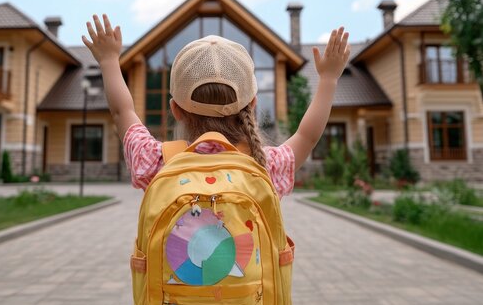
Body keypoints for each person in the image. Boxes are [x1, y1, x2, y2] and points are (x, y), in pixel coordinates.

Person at [82, 14, 350, 196]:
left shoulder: (157, 161)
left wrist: (108, 60)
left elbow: (122, 112)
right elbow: (308, 136)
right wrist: (328, 79)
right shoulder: (264, 165)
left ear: (176, 110)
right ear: (252, 104)